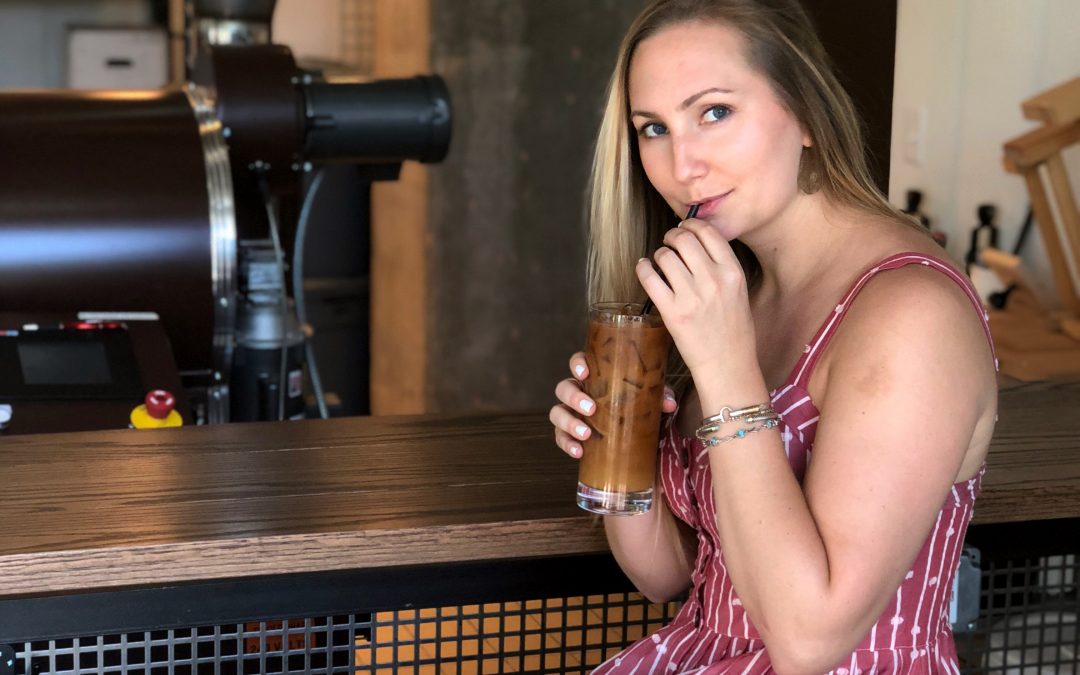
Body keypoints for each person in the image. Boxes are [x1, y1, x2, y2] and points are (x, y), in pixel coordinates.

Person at [548, 0, 999, 673]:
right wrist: (619, 451)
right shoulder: (741, 294)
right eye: (653, 128)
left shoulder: (913, 312)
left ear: (808, 115)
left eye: (714, 112)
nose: (682, 164)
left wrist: (728, 370)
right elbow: (674, 577)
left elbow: (811, 640)